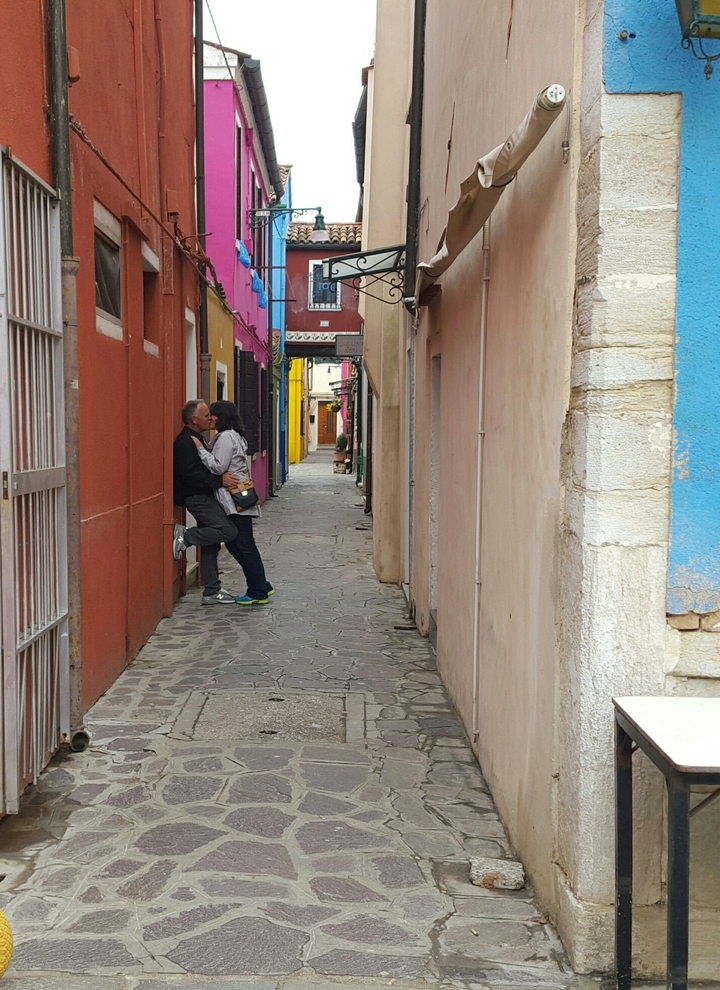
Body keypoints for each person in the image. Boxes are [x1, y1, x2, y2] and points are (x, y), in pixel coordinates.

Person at [191, 399, 274, 605]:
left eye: (212, 414)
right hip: (237, 500)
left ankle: (258, 591)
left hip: (233, 501)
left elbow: (218, 467)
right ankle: (261, 584)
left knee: (244, 545)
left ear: (220, 416)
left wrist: (200, 449)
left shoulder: (227, 437)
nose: (210, 417)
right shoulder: (233, 435)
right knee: (238, 544)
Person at [172, 399, 241, 604]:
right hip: (197, 497)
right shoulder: (186, 442)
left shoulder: (197, 438)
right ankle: (187, 535)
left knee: (211, 545)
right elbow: (191, 475)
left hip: (205, 495)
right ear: (194, 420)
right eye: (206, 416)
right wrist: (220, 480)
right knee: (228, 531)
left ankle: (212, 591)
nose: (211, 418)